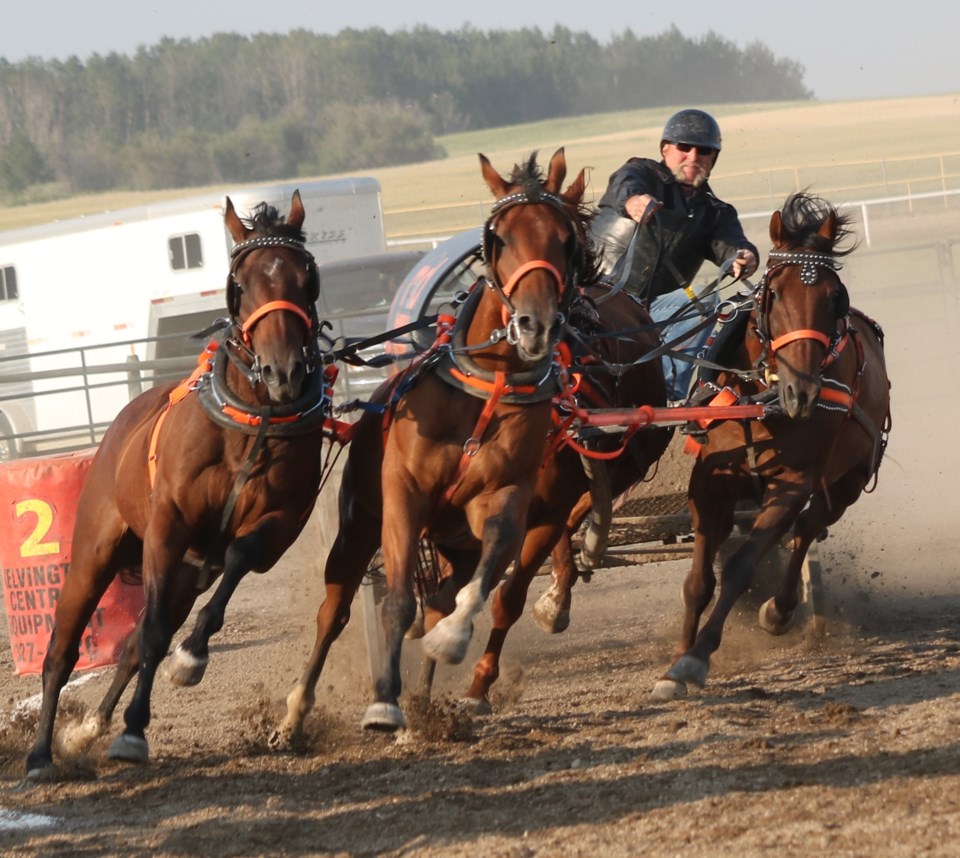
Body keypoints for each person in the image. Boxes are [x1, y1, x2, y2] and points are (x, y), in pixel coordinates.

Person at [591, 108, 759, 402]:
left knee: (705, 301)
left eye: (704, 151)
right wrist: (633, 201)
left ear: (713, 158)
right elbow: (624, 185)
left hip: (652, 311)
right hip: (596, 299)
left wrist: (745, 256)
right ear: (665, 149)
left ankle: (667, 395)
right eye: (684, 147)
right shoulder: (640, 173)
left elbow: (733, 244)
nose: (693, 157)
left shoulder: (716, 212)